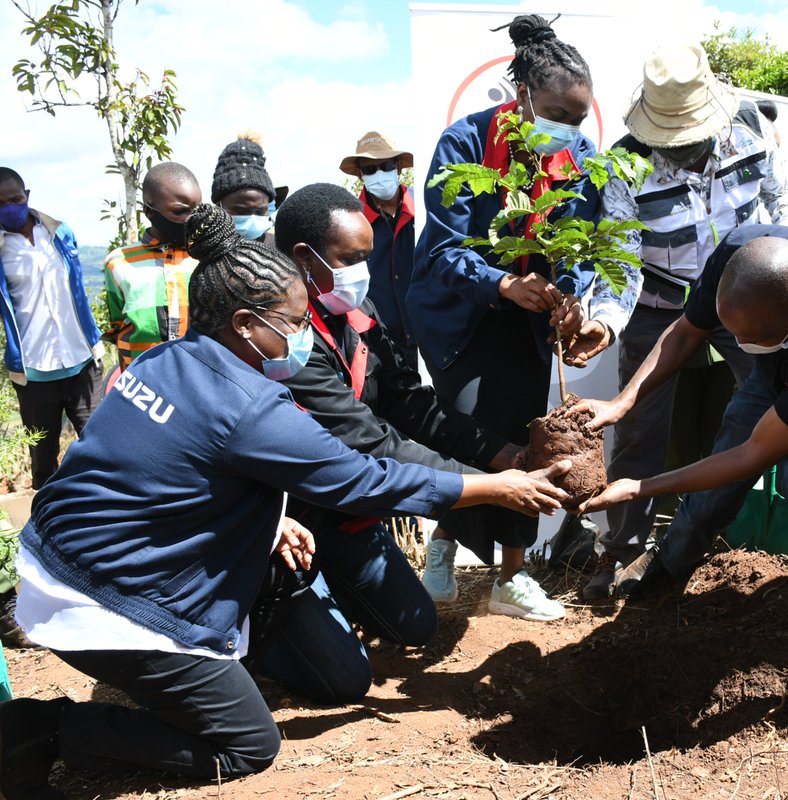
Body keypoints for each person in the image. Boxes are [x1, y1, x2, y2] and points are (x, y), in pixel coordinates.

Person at [0, 204, 570, 798]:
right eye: (294, 324)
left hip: (54, 554)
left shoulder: (165, 358)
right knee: (248, 745)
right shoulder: (249, 402)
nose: (302, 337)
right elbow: (362, 477)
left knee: (376, 635)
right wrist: (496, 486)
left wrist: (269, 524)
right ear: (246, 324)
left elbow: (166, 470)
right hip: (104, 598)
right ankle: (41, 729)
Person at [576, 225, 788, 714]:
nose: (738, 344)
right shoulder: (743, 252)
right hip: (784, 361)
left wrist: (639, 488)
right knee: (730, 442)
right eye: (732, 331)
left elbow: (752, 457)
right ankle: (666, 575)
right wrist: (621, 403)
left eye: (750, 338)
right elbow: (685, 333)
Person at [250, 183, 524, 701]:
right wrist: (491, 485)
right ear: (304, 259)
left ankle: (332, 597)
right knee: (344, 681)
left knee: (416, 627)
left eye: (367, 257)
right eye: (351, 258)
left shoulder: (355, 312)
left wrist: (500, 451)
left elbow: (410, 401)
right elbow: (372, 441)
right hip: (286, 526)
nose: (363, 271)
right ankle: (258, 630)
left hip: (342, 514)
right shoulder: (279, 335)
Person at [578, 43, 788, 600]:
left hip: (742, 297)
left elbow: (787, 194)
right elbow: (622, 261)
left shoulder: (750, 130)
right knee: (638, 430)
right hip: (659, 306)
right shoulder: (625, 164)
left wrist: (785, 254)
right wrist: (605, 322)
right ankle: (622, 552)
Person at [409, 13, 611, 621]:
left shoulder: (581, 159)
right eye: (560, 116)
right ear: (521, 95)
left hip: (530, 321)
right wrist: (500, 282)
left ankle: (512, 577)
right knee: (470, 433)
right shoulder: (465, 144)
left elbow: (580, 243)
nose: (572, 131)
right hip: (464, 317)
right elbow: (443, 247)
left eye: (579, 119)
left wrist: (571, 299)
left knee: (532, 436)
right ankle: (441, 550)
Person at [0, 166, 105, 650]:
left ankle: (108, 544)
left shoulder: (57, 231)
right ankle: (52, 562)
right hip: (35, 371)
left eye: (15, 197)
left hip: (79, 360)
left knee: (105, 450)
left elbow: (77, 293)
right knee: (46, 466)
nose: (10, 206)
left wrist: (95, 339)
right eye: (1, 202)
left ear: (28, 195)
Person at [103, 162, 201, 368]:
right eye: (180, 211)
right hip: (140, 374)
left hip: (194, 372)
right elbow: (119, 322)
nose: (191, 219)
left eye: (197, 210)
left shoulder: (202, 257)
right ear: (150, 211)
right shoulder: (118, 262)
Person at [338, 131, 419, 364]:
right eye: (370, 170)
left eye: (385, 166)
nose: (379, 174)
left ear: (398, 168)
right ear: (362, 176)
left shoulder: (424, 208)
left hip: (431, 333)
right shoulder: (350, 223)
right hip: (380, 345)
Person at [212, 134, 277, 244]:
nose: (252, 220)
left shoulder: (282, 251)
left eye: (260, 211)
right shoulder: (205, 250)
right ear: (219, 206)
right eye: (241, 211)